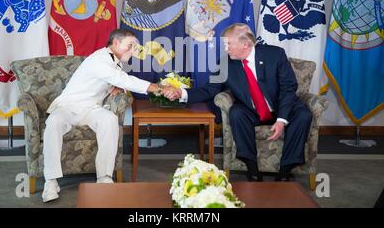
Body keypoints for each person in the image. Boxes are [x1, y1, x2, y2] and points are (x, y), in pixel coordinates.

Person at [163, 23, 312, 182]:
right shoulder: (225, 64)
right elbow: (209, 90)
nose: (225, 49)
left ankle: (285, 171)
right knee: (236, 112)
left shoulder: (275, 55)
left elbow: (289, 87)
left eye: (228, 44)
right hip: (253, 110)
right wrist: (182, 92)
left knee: (303, 114)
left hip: (281, 107)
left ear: (245, 44)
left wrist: (282, 120)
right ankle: (252, 169)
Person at [42, 29, 162, 202]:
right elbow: (122, 79)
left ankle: (104, 177)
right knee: (53, 121)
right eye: (130, 45)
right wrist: (158, 88)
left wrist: (119, 87)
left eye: (135, 46)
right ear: (115, 44)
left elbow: (119, 79)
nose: (134, 50)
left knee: (110, 119)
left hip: (92, 109)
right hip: (69, 107)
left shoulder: (116, 62)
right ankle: (51, 181)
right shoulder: (99, 58)